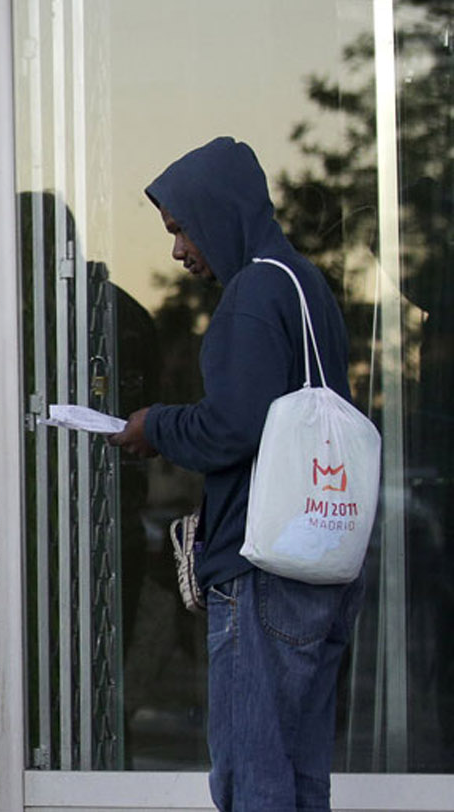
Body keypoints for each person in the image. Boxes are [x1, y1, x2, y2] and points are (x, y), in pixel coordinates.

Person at [108, 137, 365, 811]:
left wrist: (153, 427)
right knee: (301, 775)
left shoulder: (252, 294)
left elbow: (232, 428)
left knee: (252, 782)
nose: (178, 250)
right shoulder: (304, 284)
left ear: (217, 212)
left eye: (180, 229)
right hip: (323, 563)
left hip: (263, 570)